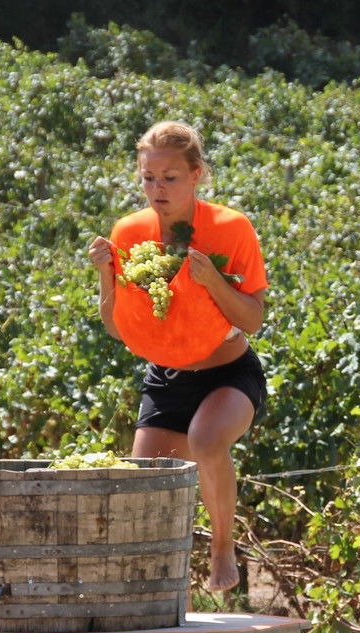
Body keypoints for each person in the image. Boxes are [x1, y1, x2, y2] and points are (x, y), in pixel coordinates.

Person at [88, 120, 268, 593]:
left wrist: (213, 282)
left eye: (169, 177)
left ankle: (223, 548)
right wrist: (107, 276)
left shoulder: (231, 229)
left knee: (207, 440)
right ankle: (156, 594)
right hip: (167, 378)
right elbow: (118, 328)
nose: (157, 188)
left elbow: (252, 319)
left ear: (196, 176)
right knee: (142, 493)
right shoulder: (130, 232)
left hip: (228, 372)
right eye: (149, 177)